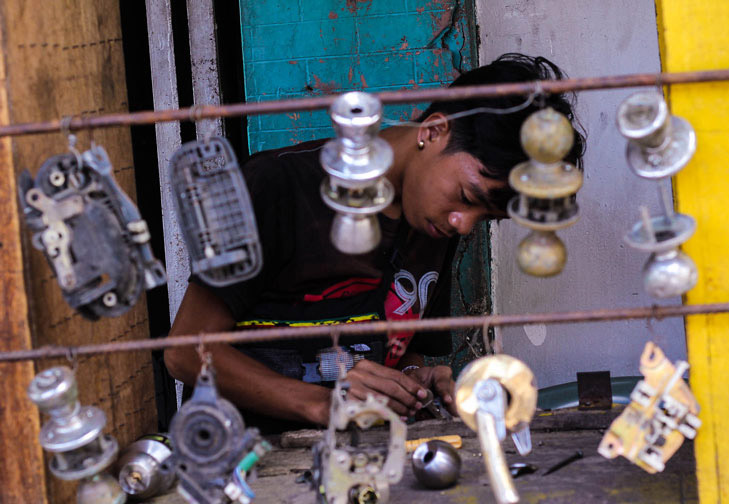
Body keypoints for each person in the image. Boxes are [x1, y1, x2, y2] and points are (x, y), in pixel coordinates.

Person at [164, 53, 585, 430]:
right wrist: (321, 404)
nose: (464, 225)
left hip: (357, 462)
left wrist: (413, 381)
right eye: (468, 198)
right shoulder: (276, 187)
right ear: (434, 131)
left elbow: (403, 346)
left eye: (485, 218)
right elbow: (184, 353)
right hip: (242, 456)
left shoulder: (435, 222)